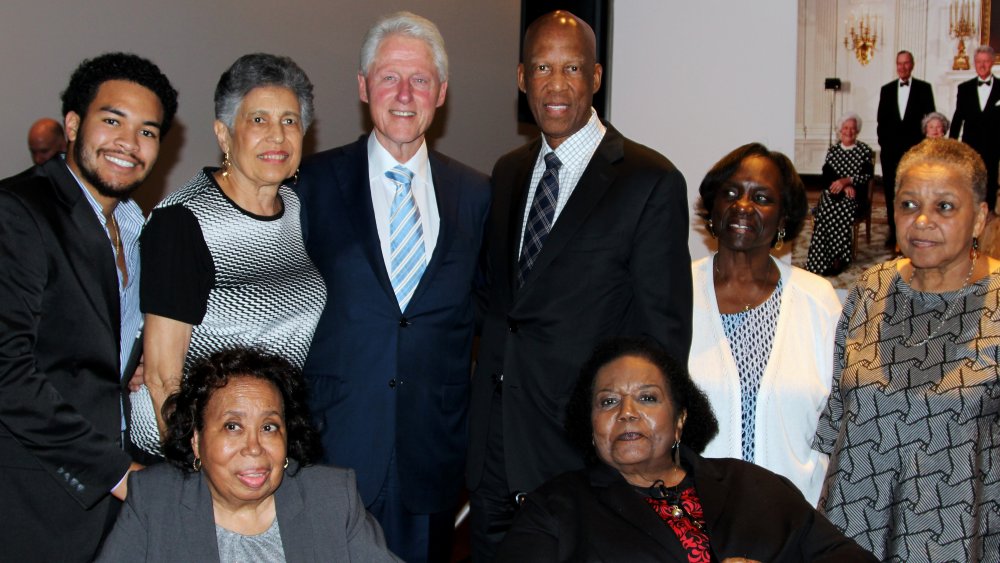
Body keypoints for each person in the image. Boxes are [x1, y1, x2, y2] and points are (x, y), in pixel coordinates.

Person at [468, 10, 692, 559]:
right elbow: (499, 308)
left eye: (573, 68)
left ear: (596, 78)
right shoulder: (506, 173)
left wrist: (633, 453)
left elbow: (663, 337)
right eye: (543, 68)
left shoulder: (649, 180)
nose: (556, 85)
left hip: (581, 456)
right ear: (522, 78)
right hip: (494, 452)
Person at [296, 12, 489, 562]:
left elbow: (494, 313)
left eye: (420, 80)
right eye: (388, 77)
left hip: (431, 453)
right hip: (333, 445)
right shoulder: (309, 183)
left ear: (441, 92)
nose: (404, 94)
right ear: (363, 87)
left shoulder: (475, 195)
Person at [0, 52, 178, 562]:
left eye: (148, 131)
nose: (129, 143)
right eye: (112, 120)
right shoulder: (18, 211)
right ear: (73, 124)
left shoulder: (133, 224)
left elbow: (91, 340)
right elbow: (8, 372)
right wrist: (118, 475)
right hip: (32, 499)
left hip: (110, 508)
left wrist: (134, 358)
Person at [496, 338, 876, 562]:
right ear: (590, 424)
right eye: (608, 402)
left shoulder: (753, 487)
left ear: (679, 420)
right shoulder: (557, 508)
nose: (627, 413)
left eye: (647, 398)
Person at [814, 138, 1000, 561]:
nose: (922, 221)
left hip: (956, 538)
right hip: (852, 530)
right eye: (908, 205)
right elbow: (837, 421)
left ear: (979, 218)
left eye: (945, 207)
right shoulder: (872, 287)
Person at [137, 54, 326, 458]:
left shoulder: (296, 209)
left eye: (290, 121)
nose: (277, 136)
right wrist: (196, 468)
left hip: (265, 451)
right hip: (191, 456)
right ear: (224, 135)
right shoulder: (183, 220)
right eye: (258, 120)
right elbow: (160, 376)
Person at [95, 347, 401, 561]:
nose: (254, 447)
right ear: (197, 441)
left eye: (269, 427)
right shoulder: (155, 500)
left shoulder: (332, 498)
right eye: (232, 426)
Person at [690, 143, 841, 505]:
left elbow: (842, 421)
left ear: (784, 218)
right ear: (713, 208)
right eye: (731, 193)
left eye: (762, 197)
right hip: (697, 527)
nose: (743, 205)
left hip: (796, 524)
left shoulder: (818, 300)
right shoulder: (675, 293)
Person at [877, 50, 935, 248]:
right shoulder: (886, 90)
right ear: (896, 65)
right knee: (891, 194)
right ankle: (894, 234)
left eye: (906, 63)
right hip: (890, 153)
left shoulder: (924, 89)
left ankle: (913, 232)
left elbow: (929, 121)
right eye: (899, 63)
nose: (902, 67)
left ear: (912, 65)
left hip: (914, 154)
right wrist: (885, 145)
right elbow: (881, 122)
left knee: (914, 194)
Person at [804, 112, 875, 275]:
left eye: (852, 128)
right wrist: (842, 186)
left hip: (855, 195)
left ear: (857, 131)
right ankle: (820, 258)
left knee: (843, 207)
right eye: (845, 128)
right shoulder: (833, 150)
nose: (849, 131)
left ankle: (839, 258)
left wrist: (848, 181)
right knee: (825, 208)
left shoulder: (863, 150)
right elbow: (827, 176)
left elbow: (867, 176)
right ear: (840, 130)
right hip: (836, 192)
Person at [950, 45, 1000, 212]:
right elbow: (958, 118)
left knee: (990, 184)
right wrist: (951, 145)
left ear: (992, 62)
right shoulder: (964, 88)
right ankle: (970, 220)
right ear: (974, 63)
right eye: (979, 62)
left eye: (986, 61)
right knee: (970, 184)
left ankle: (988, 218)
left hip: (994, 147)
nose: (982, 65)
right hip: (970, 147)